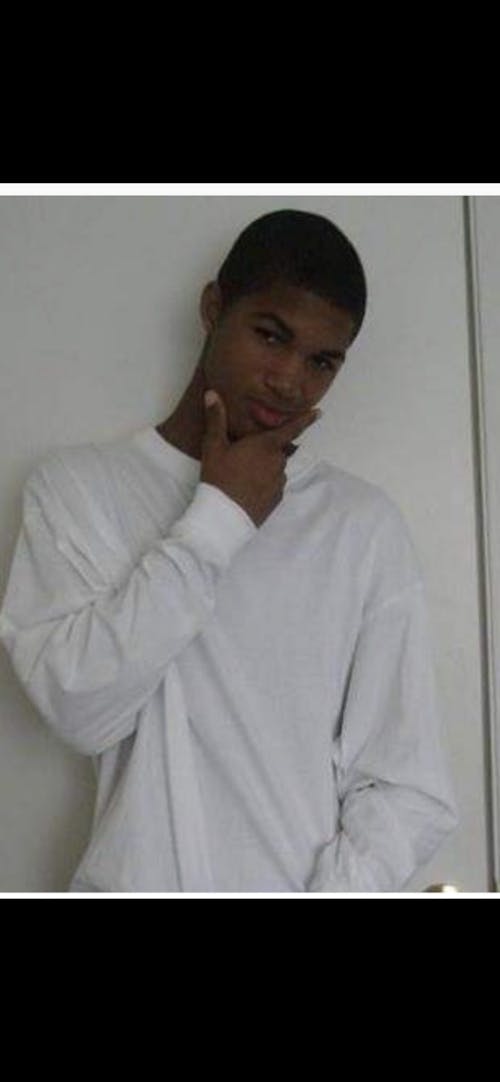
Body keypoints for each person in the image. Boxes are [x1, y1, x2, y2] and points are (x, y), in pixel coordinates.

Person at [0, 208, 459, 893]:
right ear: (214, 307)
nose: (290, 381)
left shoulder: (360, 525)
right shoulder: (79, 490)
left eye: (322, 362)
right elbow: (80, 712)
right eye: (271, 336)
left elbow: (407, 784)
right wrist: (220, 517)